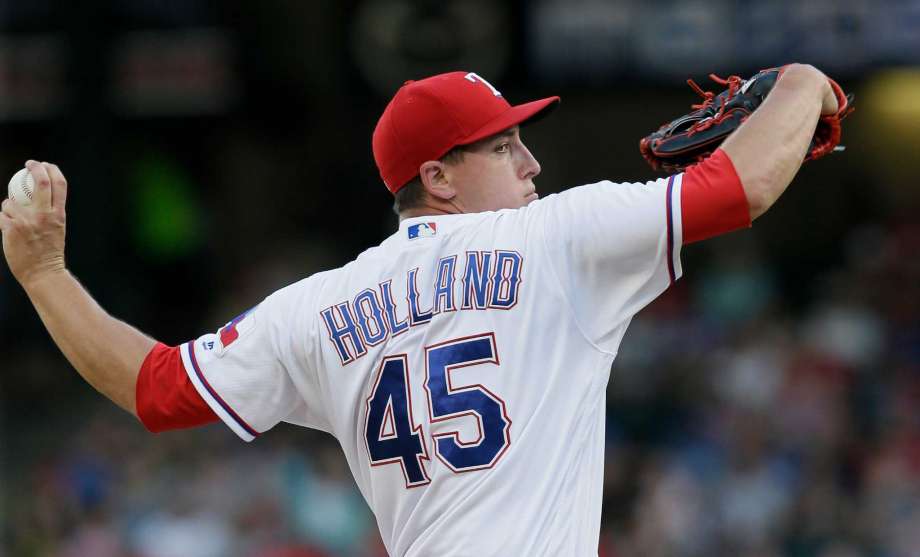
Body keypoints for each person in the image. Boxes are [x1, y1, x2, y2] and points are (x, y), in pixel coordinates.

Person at [0, 65, 841, 556]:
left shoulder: (315, 309)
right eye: (506, 145)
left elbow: (154, 388)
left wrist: (42, 274)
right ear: (438, 176)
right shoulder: (553, 238)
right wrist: (803, 82)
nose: (533, 162)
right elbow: (746, 182)